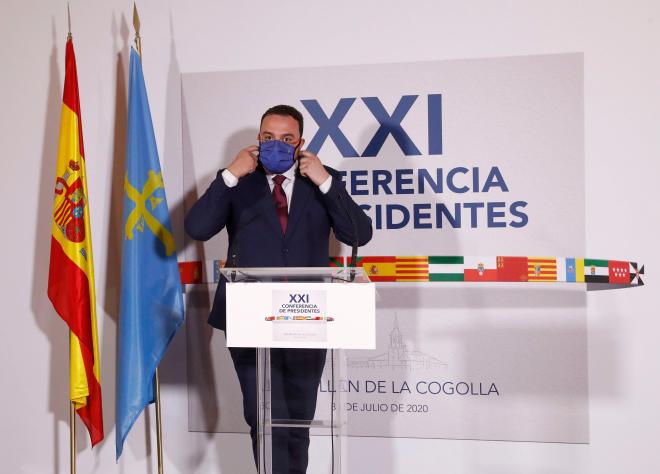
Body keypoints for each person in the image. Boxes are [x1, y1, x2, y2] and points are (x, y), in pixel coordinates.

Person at [184, 104, 373, 473]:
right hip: (249, 319)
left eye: (286, 139)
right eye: (268, 137)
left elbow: (358, 234)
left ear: (301, 143)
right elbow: (198, 227)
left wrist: (325, 181)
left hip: (308, 318)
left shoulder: (322, 180)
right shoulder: (239, 182)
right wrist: (228, 176)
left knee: (298, 420)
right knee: (262, 419)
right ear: (257, 140)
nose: (276, 145)